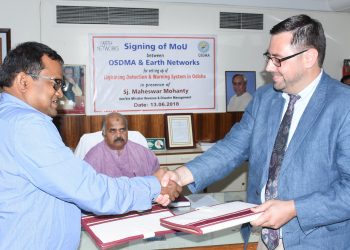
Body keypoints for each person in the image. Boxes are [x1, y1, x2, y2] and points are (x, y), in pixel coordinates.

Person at [162, 14, 350, 250]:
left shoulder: (344, 106)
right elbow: (232, 148)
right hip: (264, 238)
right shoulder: (264, 98)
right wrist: (181, 175)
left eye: (277, 59)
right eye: (268, 57)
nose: (268, 67)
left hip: (317, 240)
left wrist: (294, 208)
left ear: (309, 57)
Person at [0, 41, 181, 249]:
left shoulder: (7, 118)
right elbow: (90, 190)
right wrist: (154, 185)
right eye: (56, 83)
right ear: (23, 81)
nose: (59, 93)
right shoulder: (27, 125)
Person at [84, 112, 159, 177]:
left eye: (122, 130)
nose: (119, 135)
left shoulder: (144, 153)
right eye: (113, 131)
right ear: (104, 133)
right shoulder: (93, 157)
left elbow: (157, 178)